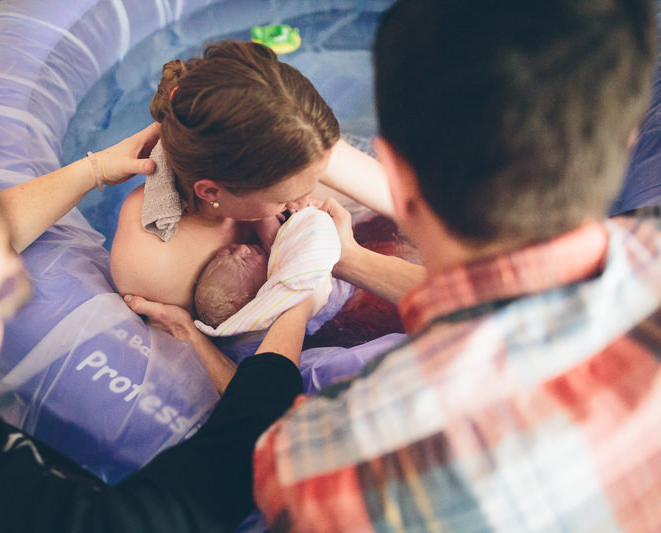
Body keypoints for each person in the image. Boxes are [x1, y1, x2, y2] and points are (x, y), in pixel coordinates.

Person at [0, 58, 325, 533]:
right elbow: (242, 446)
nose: (11, 260)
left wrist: (96, 169)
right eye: (0, 292)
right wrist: (300, 291)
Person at [246, 0, 661, 531]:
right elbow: (512, 295)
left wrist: (291, 299)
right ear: (627, 138)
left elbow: (267, 461)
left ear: (392, 173)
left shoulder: (338, 469)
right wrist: (348, 259)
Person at [110, 40, 425, 316]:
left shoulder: (295, 136)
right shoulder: (156, 267)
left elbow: (421, 211)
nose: (303, 203)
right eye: (283, 198)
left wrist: (348, 257)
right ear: (209, 191)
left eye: (315, 178)